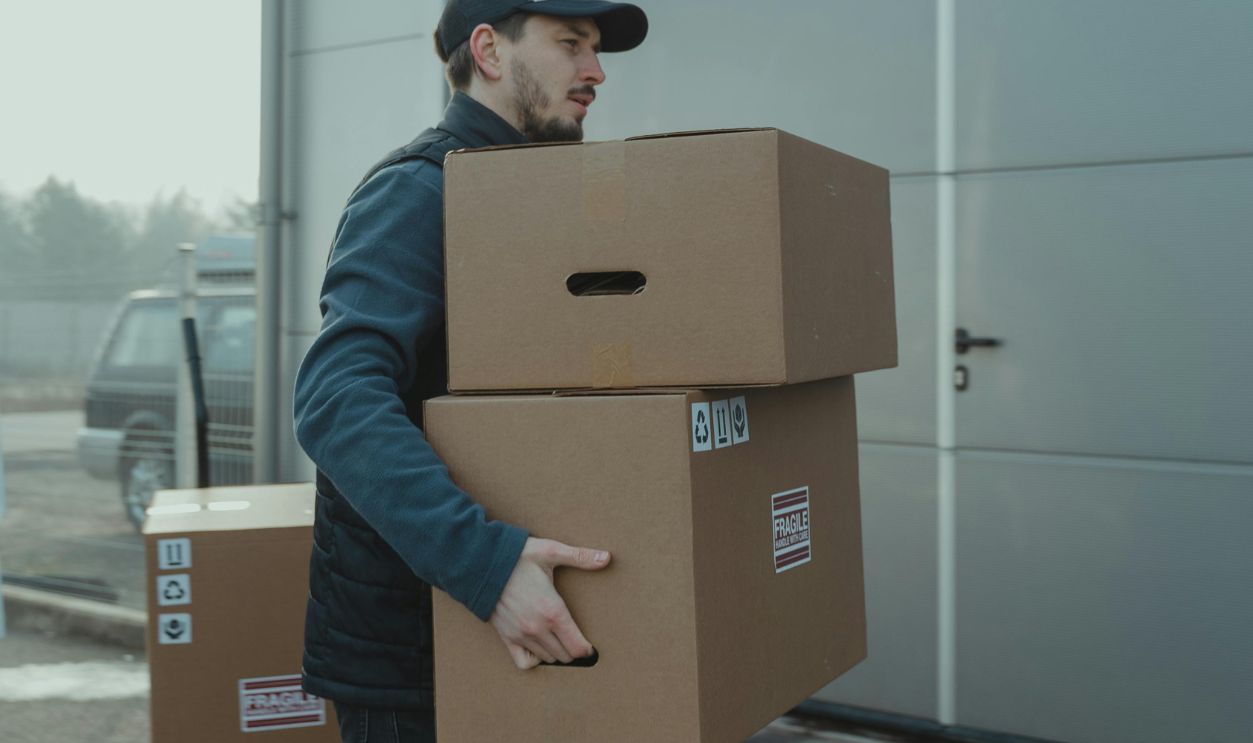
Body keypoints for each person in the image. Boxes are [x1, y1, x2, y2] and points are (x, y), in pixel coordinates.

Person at [292, 1, 649, 740]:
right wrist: (487, 568)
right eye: (571, 45)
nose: (596, 72)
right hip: (417, 662)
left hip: (538, 629)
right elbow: (336, 397)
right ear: (488, 50)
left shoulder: (553, 203)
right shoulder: (419, 191)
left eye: (596, 51)